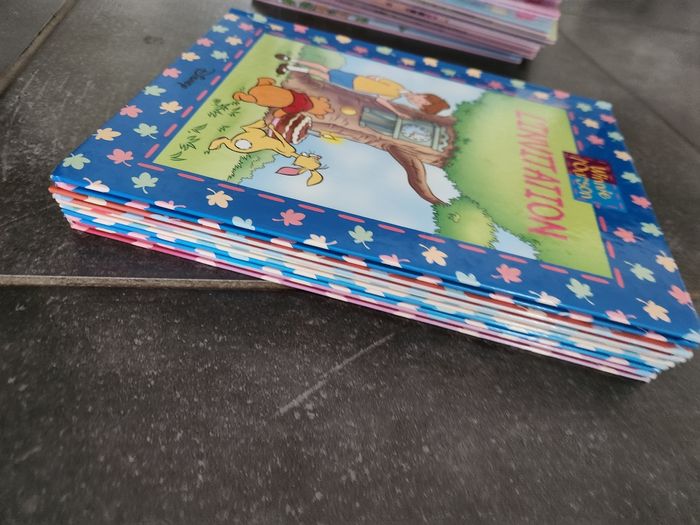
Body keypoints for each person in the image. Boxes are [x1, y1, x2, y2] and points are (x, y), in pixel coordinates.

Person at [275, 55, 449, 118]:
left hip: (354, 85)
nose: (414, 101)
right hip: (356, 79)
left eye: (416, 105)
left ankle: (290, 67)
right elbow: (381, 79)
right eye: (419, 101)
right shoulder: (399, 87)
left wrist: (397, 112)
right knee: (324, 69)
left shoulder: (396, 96)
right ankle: (291, 60)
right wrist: (374, 78)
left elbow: (381, 100)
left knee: (323, 75)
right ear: (424, 96)